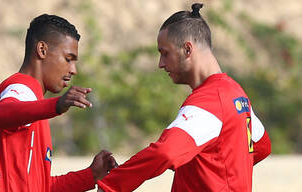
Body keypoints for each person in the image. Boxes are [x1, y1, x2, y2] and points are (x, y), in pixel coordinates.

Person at [97, 3, 271, 192]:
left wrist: (111, 185)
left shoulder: (208, 101)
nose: (160, 64)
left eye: (165, 53)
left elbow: (165, 152)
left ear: (188, 49)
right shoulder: (235, 93)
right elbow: (261, 146)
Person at [0, 14, 117, 192]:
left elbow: (40, 187)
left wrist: (91, 175)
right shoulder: (22, 86)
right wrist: (56, 105)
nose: (74, 70)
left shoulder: (35, 106)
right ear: (42, 50)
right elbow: (2, 114)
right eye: (68, 59)